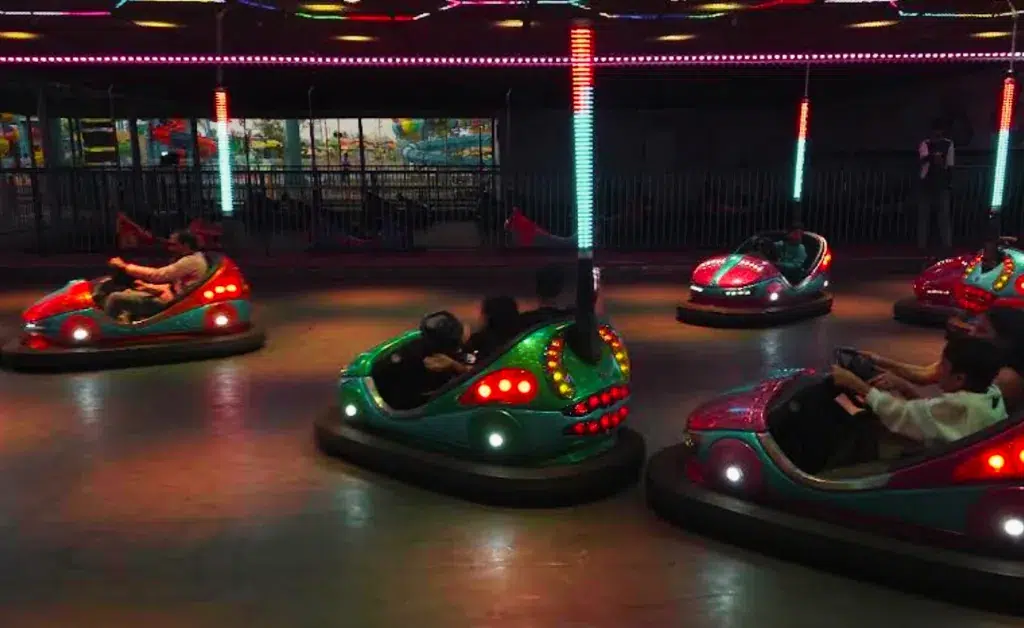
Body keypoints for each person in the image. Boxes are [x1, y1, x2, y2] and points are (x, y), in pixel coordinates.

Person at [833, 336, 1006, 445]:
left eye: (942, 367)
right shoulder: (990, 393)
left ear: (959, 378)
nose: (937, 371)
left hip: (935, 469)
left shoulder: (962, 406)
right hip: (943, 456)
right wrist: (904, 387)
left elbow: (902, 414)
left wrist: (857, 385)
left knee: (862, 428)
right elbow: (928, 414)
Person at [863, 305, 1024, 413]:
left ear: (1005, 341)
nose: (971, 333)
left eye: (981, 330)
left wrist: (858, 386)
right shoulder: (976, 358)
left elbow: (936, 418)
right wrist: (878, 361)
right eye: (974, 326)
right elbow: (925, 375)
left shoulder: (1005, 380)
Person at [105, 230, 208, 323]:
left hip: (172, 305)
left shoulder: (191, 261)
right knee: (127, 292)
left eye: (173, 245)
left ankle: (106, 332)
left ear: (185, 245)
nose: (170, 248)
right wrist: (149, 287)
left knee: (114, 298)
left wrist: (124, 266)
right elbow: (175, 286)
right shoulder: (193, 259)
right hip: (173, 299)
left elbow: (157, 275)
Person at [917, 120, 955, 251]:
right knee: (924, 215)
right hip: (927, 182)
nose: (937, 133)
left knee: (943, 216)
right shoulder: (926, 143)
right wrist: (933, 157)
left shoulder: (948, 144)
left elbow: (950, 164)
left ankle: (947, 245)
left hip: (941, 182)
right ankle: (922, 245)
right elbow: (922, 159)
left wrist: (949, 182)